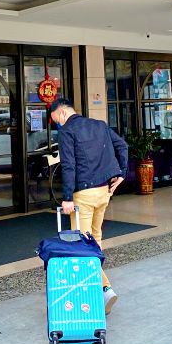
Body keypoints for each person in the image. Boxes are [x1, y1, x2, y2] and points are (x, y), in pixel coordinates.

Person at [50, 97, 128, 314]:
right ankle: (95, 287)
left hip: (83, 196)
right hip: (104, 192)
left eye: (56, 119)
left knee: (83, 244)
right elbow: (122, 144)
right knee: (95, 238)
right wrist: (122, 173)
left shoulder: (66, 131)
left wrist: (67, 197)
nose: (57, 124)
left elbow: (69, 165)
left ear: (62, 113)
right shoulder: (100, 125)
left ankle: (104, 289)